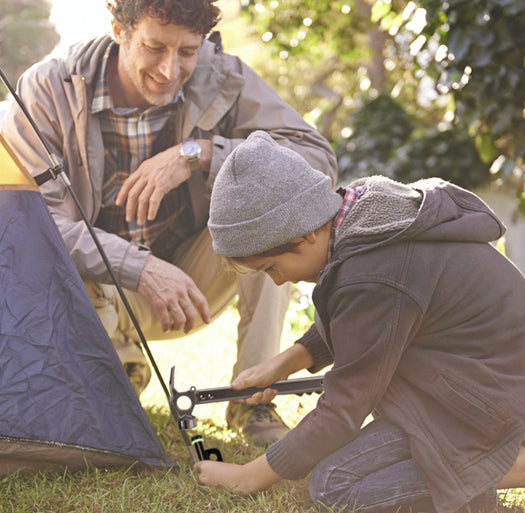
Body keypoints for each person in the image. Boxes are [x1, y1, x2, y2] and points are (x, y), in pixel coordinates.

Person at [1, 0, 337, 447]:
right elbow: (35, 224)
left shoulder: (226, 77)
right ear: (118, 30)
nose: (169, 68)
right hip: (92, 292)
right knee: (102, 416)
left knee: (272, 220)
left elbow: (315, 164)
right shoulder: (47, 89)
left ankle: (253, 401)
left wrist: (195, 155)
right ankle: (119, 378)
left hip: (193, 281)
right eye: (154, 47)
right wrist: (141, 268)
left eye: (187, 51)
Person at [197, 130, 525, 513]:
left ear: (306, 231)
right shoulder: (366, 217)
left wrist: (248, 476)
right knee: (333, 468)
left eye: (272, 266)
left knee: (335, 486)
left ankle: (515, 464)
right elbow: (367, 322)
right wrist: (284, 363)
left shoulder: (374, 272)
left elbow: (342, 411)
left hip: (494, 408)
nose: (276, 280)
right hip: (473, 387)